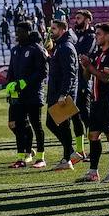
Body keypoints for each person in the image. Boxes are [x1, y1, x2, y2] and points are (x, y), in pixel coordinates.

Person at [78, 22, 109, 183]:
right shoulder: (97, 54)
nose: (96, 36)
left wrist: (89, 65)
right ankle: (93, 172)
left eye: (99, 34)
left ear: (108, 36)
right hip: (96, 99)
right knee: (93, 135)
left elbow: (105, 78)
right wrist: (85, 66)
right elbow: (86, 77)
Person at [6, 22, 47, 169]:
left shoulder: (36, 49)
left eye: (20, 31)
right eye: (16, 31)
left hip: (34, 94)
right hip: (18, 95)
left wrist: (25, 82)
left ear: (28, 32)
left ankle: (41, 157)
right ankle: (21, 158)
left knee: (37, 125)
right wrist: (10, 85)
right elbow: (11, 70)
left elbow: (43, 72)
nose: (17, 34)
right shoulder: (15, 50)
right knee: (18, 125)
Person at [45, 18, 80, 169]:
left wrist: (64, 94)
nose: (50, 31)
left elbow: (70, 73)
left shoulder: (65, 47)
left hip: (62, 93)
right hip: (57, 92)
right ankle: (69, 156)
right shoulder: (60, 46)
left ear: (62, 30)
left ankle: (69, 156)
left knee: (55, 123)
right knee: (59, 125)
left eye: (53, 29)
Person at [68, 10, 96, 158]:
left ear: (87, 20)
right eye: (75, 18)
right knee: (75, 116)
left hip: (84, 82)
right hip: (73, 81)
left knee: (86, 116)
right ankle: (80, 150)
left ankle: (93, 148)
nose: (76, 20)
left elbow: (82, 54)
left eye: (79, 18)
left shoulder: (91, 36)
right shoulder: (75, 35)